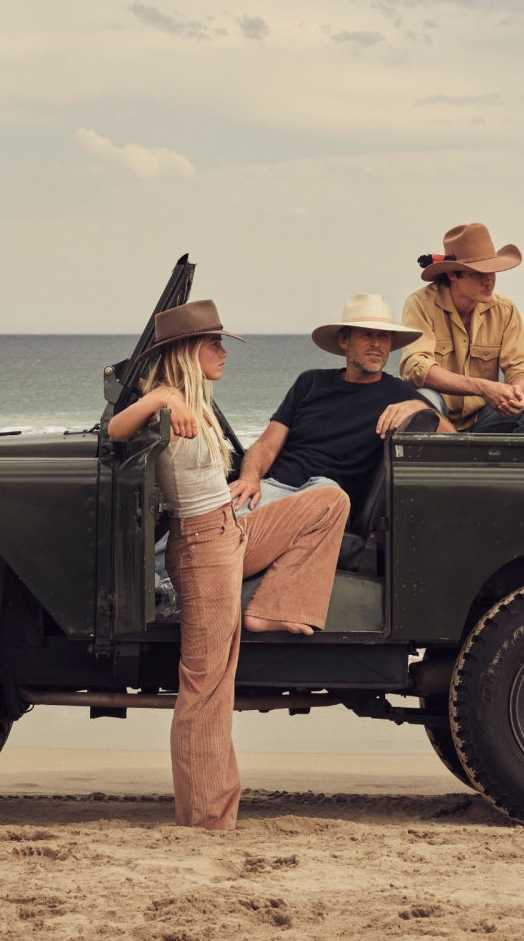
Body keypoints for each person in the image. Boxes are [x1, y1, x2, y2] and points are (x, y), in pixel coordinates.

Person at [106, 300, 347, 830]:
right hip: (202, 549)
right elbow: (113, 434)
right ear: (186, 352)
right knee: (208, 685)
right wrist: (163, 396)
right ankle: (207, 817)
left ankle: (273, 607)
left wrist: (249, 483)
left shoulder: (200, 401)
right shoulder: (166, 405)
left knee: (329, 502)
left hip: (231, 527)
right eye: (213, 343)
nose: (222, 352)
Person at [231, 294, 453, 518]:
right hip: (276, 487)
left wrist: (418, 407)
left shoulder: (399, 393)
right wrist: (249, 478)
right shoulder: (310, 382)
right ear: (344, 340)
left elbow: (453, 440)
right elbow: (267, 445)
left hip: (328, 499)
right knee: (220, 523)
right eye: (367, 334)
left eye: (384, 336)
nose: (376, 344)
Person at [400, 223, 524, 434]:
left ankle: (510, 467)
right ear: (453, 274)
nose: (489, 281)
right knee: (425, 401)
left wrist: (516, 393)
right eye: (478, 274)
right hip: (438, 416)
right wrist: (484, 388)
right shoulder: (420, 304)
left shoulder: (505, 310)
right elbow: (417, 367)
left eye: (493, 273)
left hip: (486, 415)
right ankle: (431, 465)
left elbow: (522, 366)